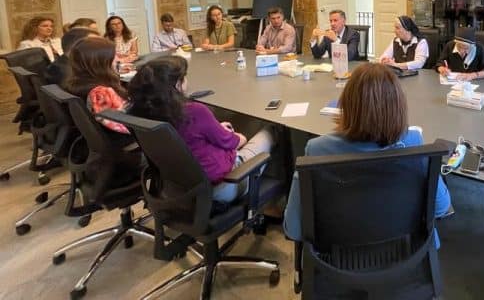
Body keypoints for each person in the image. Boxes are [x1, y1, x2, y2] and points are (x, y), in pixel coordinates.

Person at [283, 63, 451, 242]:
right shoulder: (413, 142)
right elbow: (441, 207)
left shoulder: (318, 150)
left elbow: (293, 229)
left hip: (339, 255)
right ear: (399, 106)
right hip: (408, 251)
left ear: (346, 105)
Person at [128, 56, 273, 202]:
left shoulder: (142, 113)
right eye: (184, 77)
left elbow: (187, 137)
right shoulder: (195, 112)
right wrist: (240, 137)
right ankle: (273, 201)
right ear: (178, 85)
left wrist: (215, 128)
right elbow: (234, 142)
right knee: (271, 130)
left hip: (176, 189)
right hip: (222, 186)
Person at [65, 37, 130, 138]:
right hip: (123, 139)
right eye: (114, 55)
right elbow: (125, 127)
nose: (118, 59)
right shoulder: (101, 92)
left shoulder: (76, 83)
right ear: (102, 61)